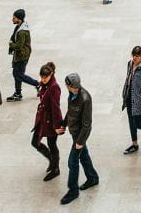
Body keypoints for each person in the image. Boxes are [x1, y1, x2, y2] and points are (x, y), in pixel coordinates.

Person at [58, 73, 99, 204]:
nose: (75, 89)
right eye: (73, 87)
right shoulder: (71, 94)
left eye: (77, 87)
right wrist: (64, 124)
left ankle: (73, 191)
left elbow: (87, 123)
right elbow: (70, 111)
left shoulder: (85, 98)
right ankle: (92, 178)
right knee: (83, 156)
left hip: (80, 134)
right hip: (74, 131)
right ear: (68, 86)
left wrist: (80, 141)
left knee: (72, 162)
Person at [32, 62, 62, 181]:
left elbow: (56, 108)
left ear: (51, 75)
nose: (43, 79)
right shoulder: (45, 85)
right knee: (35, 142)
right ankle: (52, 160)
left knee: (52, 144)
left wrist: (57, 125)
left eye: (46, 77)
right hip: (42, 118)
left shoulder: (54, 87)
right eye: (42, 77)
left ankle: (55, 168)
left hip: (50, 121)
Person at [122, 46, 141, 154]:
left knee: (137, 123)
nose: (135, 58)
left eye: (137, 56)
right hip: (129, 98)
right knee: (131, 122)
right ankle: (134, 144)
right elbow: (128, 78)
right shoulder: (130, 64)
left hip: (138, 101)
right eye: (133, 55)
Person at [6, 9, 39, 101]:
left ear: (19, 19)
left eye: (14, 18)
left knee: (18, 74)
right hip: (20, 55)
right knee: (17, 74)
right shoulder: (19, 26)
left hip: (22, 55)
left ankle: (37, 84)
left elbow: (19, 46)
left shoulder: (22, 32)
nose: (12, 19)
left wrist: (11, 44)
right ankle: (18, 93)